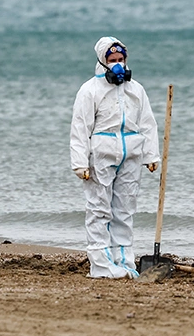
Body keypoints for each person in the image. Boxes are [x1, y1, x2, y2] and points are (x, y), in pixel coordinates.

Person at [69, 36, 160, 278]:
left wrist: (151, 155)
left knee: (125, 208)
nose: (118, 64)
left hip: (131, 152)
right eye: (113, 60)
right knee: (99, 208)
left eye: (121, 59)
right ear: (103, 61)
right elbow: (80, 127)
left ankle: (124, 261)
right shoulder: (90, 90)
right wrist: (79, 162)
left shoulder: (136, 89)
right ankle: (101, 265)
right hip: (101, 153)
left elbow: (148, 124)